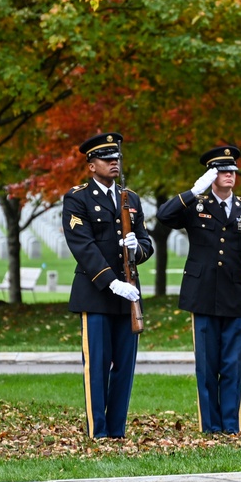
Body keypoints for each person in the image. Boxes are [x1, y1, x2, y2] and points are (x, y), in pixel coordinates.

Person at [156, 145, 241, 434]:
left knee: (232, 365)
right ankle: (210, 425)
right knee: (207, 366)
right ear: (211, 175)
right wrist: (193, 191)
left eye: (233, 171)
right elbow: (164, 216)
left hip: (235, 295)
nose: (230, 175)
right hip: (202, 294)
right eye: (223, 171)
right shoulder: (196, 205)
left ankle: (230, 425)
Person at [62, 132, 154, 438]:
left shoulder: (132, 199)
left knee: (124, 368)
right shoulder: (78, 198)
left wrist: (135, 249)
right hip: (97, 294)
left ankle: (117, 431)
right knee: (98, 366)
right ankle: (97, 432)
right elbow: (83, 246)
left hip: (128, 295)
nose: (114, 163)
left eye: (116, 159)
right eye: (106, 159)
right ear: (91, 166)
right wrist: (111, 282)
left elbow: (146, 244)